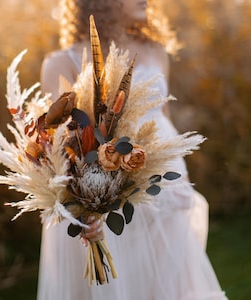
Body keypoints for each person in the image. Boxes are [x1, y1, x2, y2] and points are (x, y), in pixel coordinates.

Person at [37, 0, 227, 299]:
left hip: (165, 182)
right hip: (109, 190)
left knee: (171, 281)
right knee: (121, 283)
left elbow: (161, 115)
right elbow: (58, 145)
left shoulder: (154, 48)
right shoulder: (64, 62)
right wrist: (86, 204)